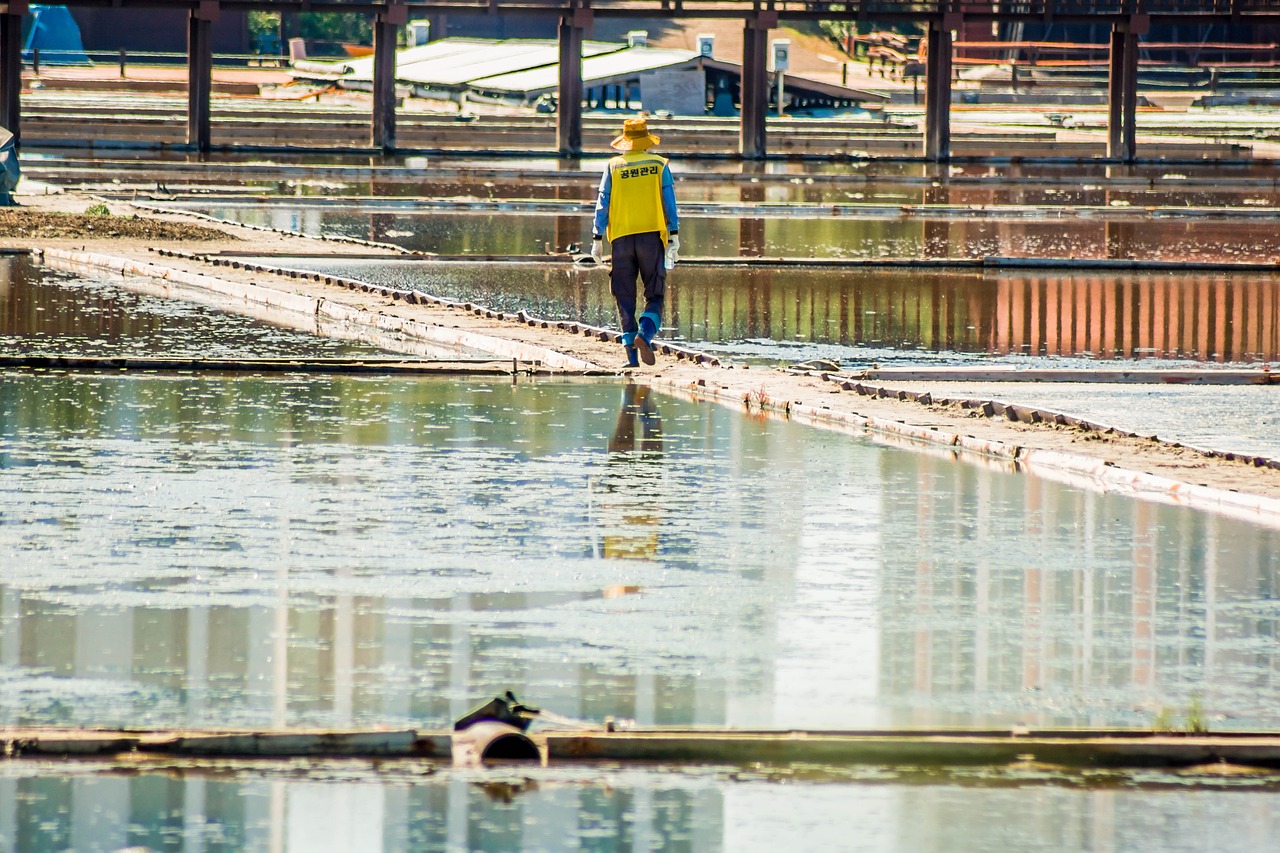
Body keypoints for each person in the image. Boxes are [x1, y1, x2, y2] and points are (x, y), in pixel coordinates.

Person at [591, 116, 680, 367]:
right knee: (655, 294)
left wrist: (597, 237)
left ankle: (631, 357)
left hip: (620, 238)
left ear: (625, 141)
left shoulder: (613, 166)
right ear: (646, 139)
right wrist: (673, 235)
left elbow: (602, 201)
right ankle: (645, 335)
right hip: (652, 237)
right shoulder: (659, 164)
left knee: (624, 295)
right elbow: (669, 203)